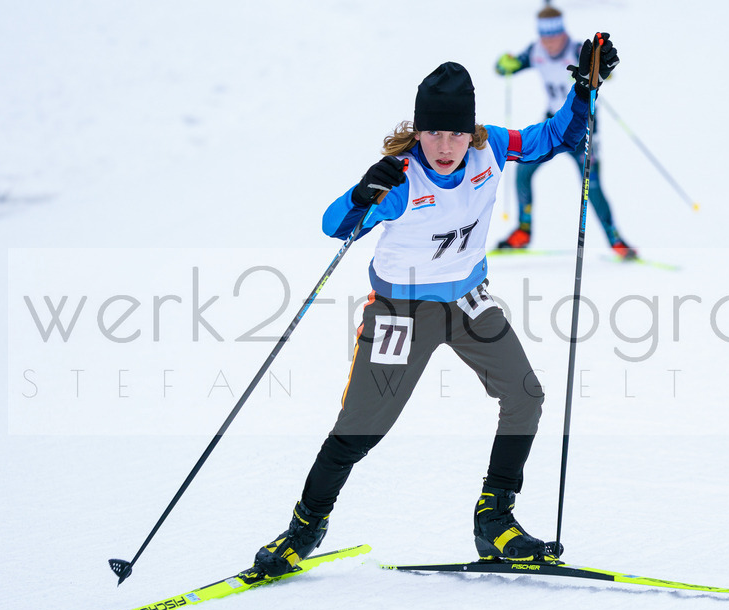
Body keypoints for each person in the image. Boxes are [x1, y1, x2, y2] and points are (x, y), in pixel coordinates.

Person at [253, 39, 620, 577]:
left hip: (469, 301)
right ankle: (306, 526)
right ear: (417, 130)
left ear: (469, 130)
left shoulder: (489, 147)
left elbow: (557, 137)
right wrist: (362, 195)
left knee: (525, 396)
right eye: (433, 132)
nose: (444, 145)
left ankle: (495, 519)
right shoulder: (400, 179)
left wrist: (583, 92)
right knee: (360, 429)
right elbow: (336, 227)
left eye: (454, 132)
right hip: (401, 312)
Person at [495, 5, 637, 259]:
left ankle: (615, 238)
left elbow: (606, 74)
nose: (550, 42)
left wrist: (599, 70)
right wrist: (504, 63)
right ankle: (523, 232)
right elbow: (507, 67)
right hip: (552, 127)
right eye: (545, 36)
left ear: (563, 31)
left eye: (554, 34)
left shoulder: (576, 50)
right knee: (523, 170)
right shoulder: (535, 51)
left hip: (583, 128)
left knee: (591, 185)